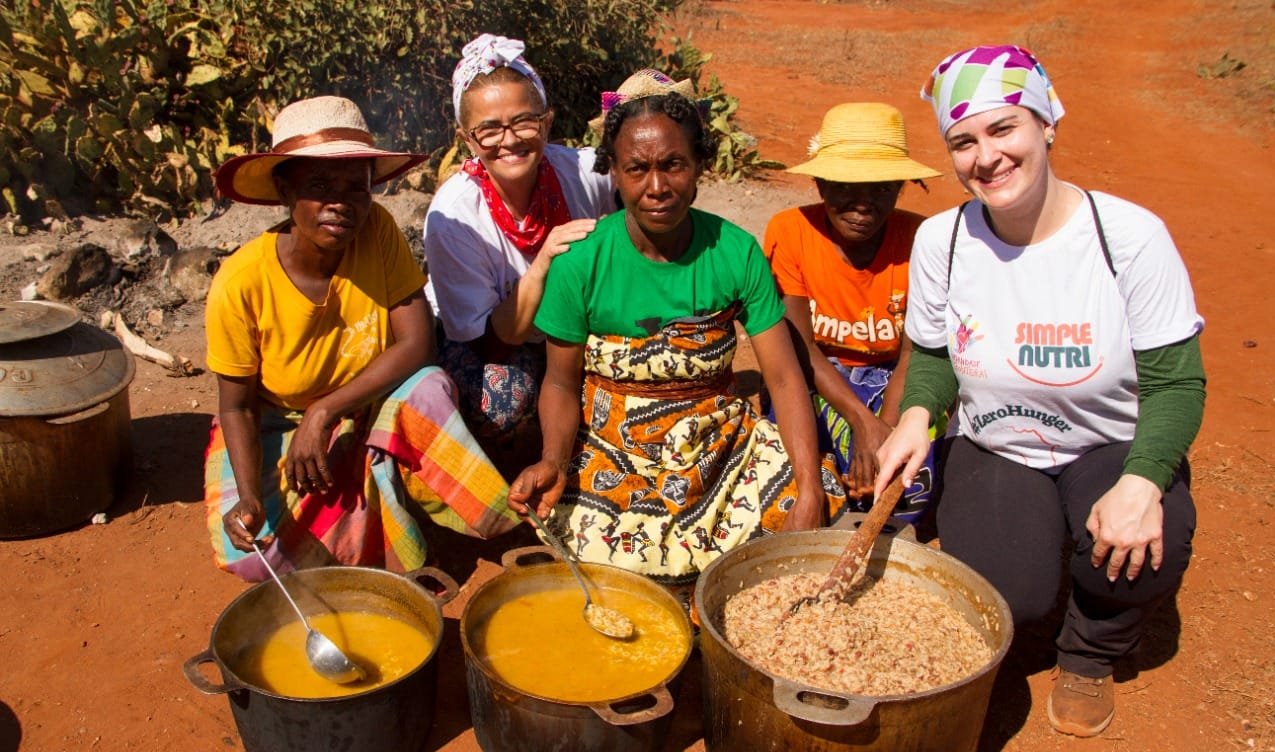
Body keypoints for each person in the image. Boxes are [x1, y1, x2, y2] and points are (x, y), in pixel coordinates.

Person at [874, 45, 1205, 737]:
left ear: (1047, 121)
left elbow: (1176, 381)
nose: (985, 157)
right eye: (963, 141)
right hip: (999, 445)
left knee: (1150, 544)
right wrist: (915, 416)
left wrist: (1145, 481)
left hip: (1108, 444)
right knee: (1004, 593)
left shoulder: (1129, 238)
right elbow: (933, 354)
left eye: (1004, 129)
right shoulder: (945, 240)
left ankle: (1090, 650)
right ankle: (1032, 613)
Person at [507, 85, 847, 585]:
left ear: (699, 166)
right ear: (614, 174)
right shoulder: (581, 262)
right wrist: (554, 460)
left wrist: (808, 484)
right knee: (617, 554)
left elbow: (782, 376)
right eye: (636, 168)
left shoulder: (735, 251)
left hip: (719, 446)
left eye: (674, 164)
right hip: (613, 451)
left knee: (806, 501)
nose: (657, 186)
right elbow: (560, 384)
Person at [206, 95, 518, 581]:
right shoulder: (240, 281)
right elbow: (237, 407)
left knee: (429, 390)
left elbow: (418, 345)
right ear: (286, 192)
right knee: (252, 550)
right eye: (320, 186)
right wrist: (249, 496)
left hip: (370, 404)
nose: (341, 203)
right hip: (281, 424)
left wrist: (325, 409)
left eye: (357, 187)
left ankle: (488, 520)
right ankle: (360, 514)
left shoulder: (378, 231)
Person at [423, 34, 614, 445]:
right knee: (499, 399)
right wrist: (542, 266)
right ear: (467, 139)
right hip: (494, 342)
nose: (509, 140)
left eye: (524, 122)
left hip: (570, 331)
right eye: (489, 130)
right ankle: (510, 471)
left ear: (547, 121)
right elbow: (490, 345)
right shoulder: (455, 216)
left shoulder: (587, 174)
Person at [763, 102, 943, 522]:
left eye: (881, 188)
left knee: (909, 486)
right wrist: (862, 422)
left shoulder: (921, 239)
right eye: (845, 186)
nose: (863, 204)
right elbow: (800, 348)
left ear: (900, 187)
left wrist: (887, 429)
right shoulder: (790, 232)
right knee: (794, 476)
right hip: (817, 374)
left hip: (891, 379)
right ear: (820, 184)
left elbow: (912, 355)